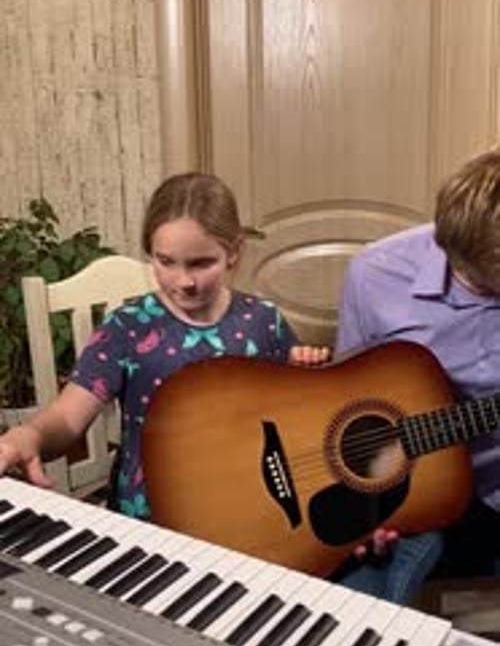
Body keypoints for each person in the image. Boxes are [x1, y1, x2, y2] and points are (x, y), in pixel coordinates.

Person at [0, 172, 328, 519]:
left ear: (234, 253)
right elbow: (68, 416)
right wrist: (28, 436)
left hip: (247, 511)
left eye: (201, 263)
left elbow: (294, 420)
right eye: (166, 262)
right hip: (150, 518)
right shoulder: (126, 327)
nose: (184, 281)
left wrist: (309, 378)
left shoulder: (264, 322)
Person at [333, 147, 500, 604]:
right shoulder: (375, 273)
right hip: (415, 491)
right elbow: (345, 400)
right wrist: (369, 503)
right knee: (359, 610)